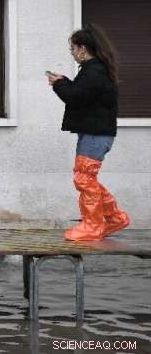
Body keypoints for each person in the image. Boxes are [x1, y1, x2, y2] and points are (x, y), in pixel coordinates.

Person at [47, 23, 130, 241]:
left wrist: (58, 85)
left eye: (73, 49)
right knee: (86, 178)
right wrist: (64, 82)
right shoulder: (96, 70)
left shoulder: (94, 71)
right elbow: (81, 93)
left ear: (83, 48)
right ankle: (114, 218)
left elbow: (75, 97)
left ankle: (93, 225)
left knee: (84, 179)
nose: (73, 54)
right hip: (95, 133)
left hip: (96, 134)